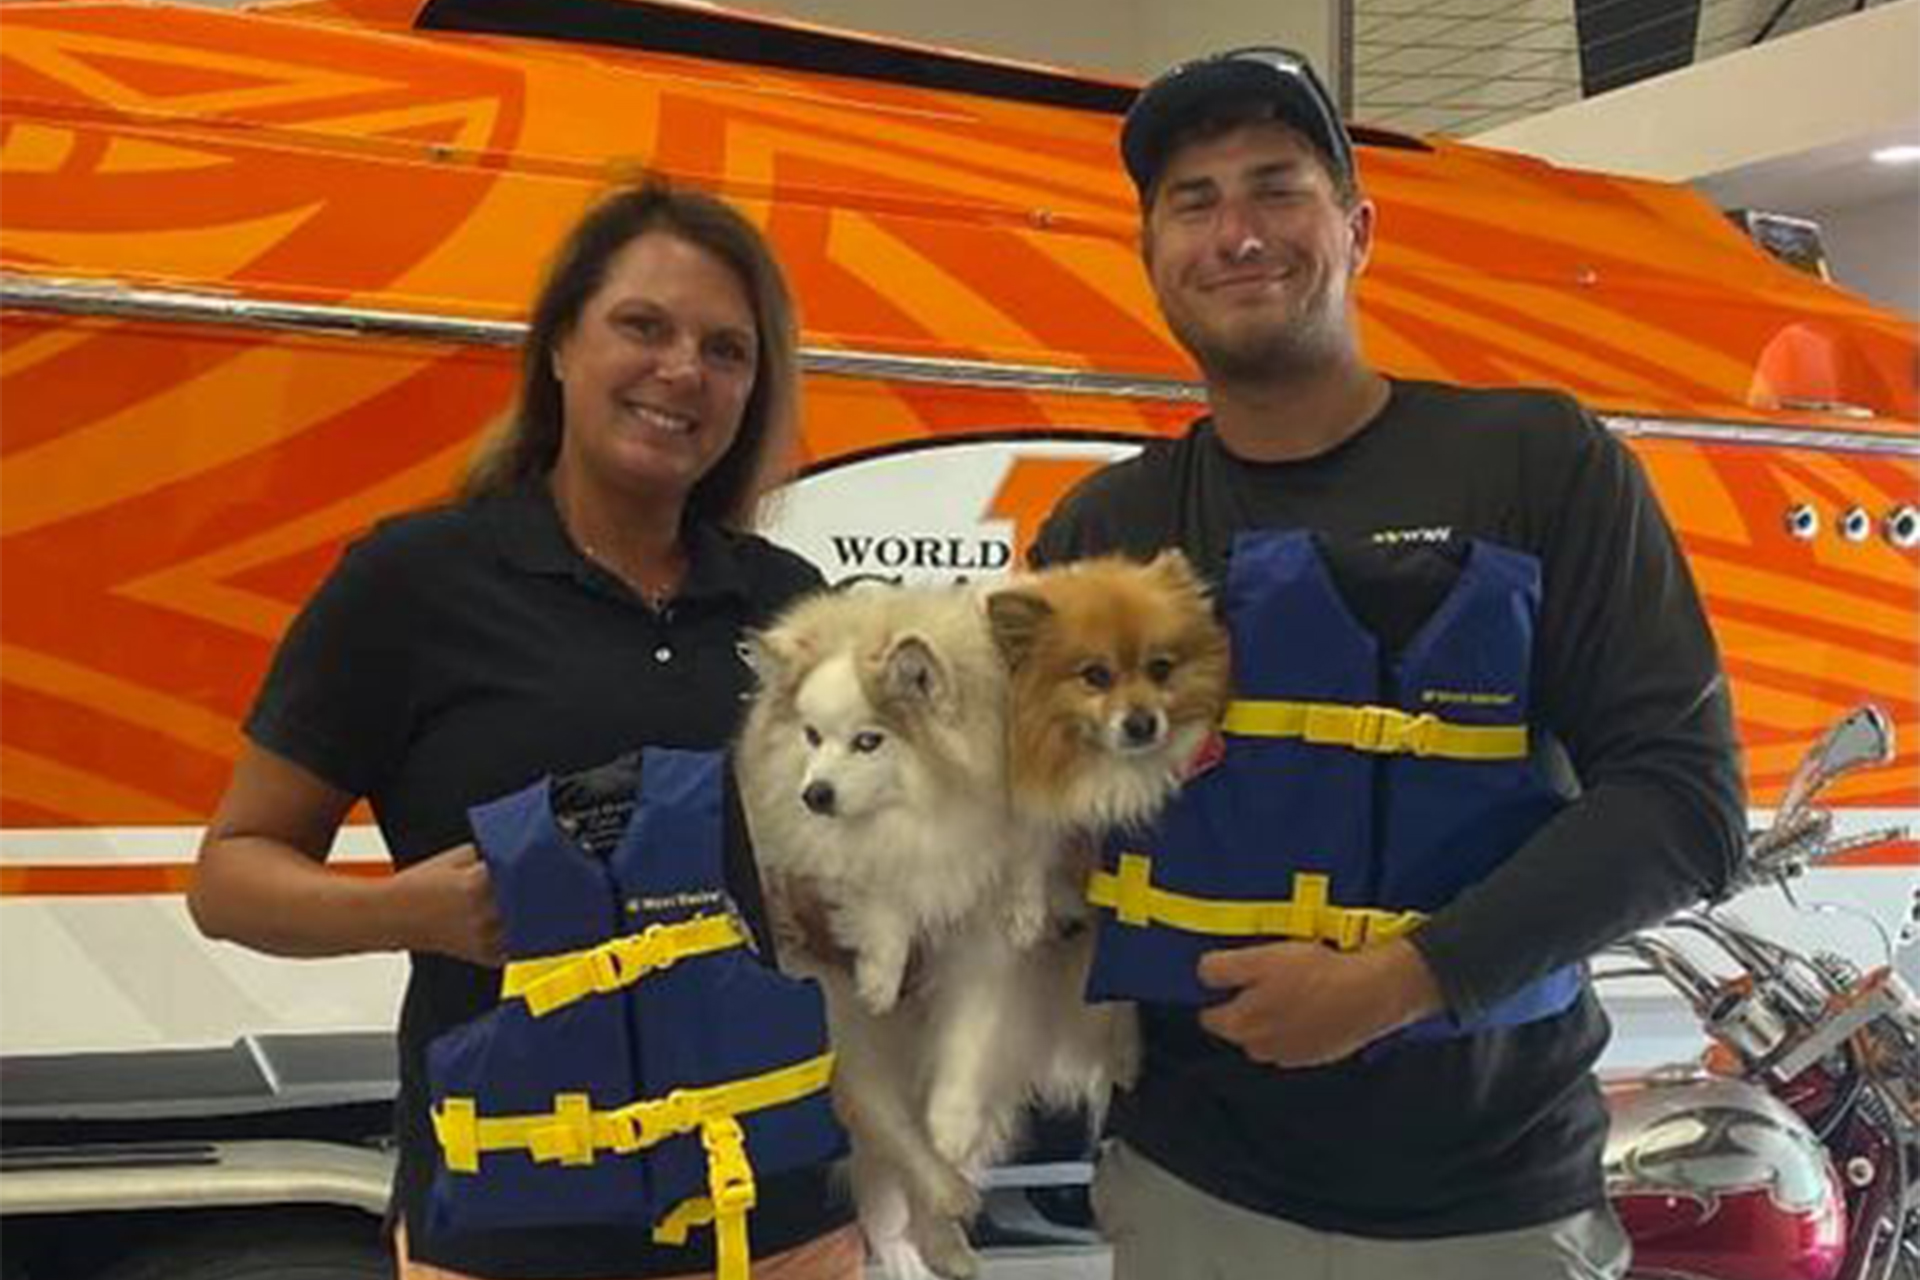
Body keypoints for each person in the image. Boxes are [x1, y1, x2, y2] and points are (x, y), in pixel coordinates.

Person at [1031, 48, 1746, 1280]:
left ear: (1357, 229)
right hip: (1192, 1188)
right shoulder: (1098, 534)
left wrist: (1402, 980)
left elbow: (1685, 801)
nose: (1236, 231)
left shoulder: (1541, 461)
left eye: (1277, 187)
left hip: (1493, 1202)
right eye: (1192, 202)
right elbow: (1031, 840)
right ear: (1152, 253)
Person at [188, 182, 861, 1280]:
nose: (682, 371)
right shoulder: (412, 581)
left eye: (726, 350)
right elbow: (229, 876)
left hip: (779, 1218)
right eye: (643, 326)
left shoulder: (793, 604)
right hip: (514, 1230)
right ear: (558, 345)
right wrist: (403, 911)